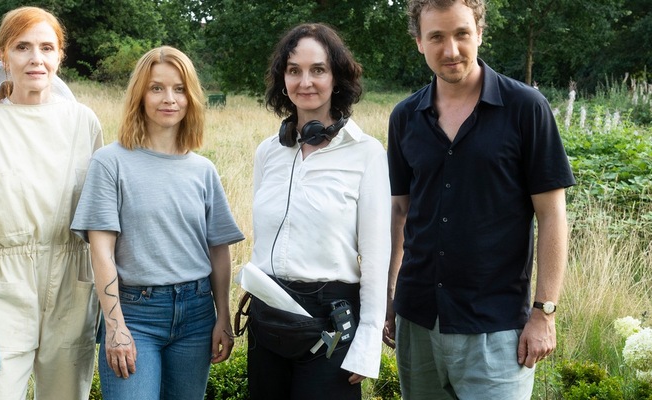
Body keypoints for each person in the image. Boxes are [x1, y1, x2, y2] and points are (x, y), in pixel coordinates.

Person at [384, 0, 576, 399]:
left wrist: (545, 312)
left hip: (498, 330)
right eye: (436, 37)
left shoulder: (526, 108)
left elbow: (553, 215)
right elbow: (401, 211)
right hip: (418, 321)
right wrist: (390, 296)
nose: (451, 50)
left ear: (480, 33)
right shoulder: (405, 117)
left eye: (461, 34)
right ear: (419, 41)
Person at [0, 6, 103, 399]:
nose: (35, 59)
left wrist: (110, 301)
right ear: (3, 56)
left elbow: (101, 221)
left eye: (47, 47)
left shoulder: (84, 123)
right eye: (22, 47)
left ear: (60, 56)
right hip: (2, 293)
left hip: (73, 293)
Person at [70, 45, 245, 400]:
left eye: (179, 89)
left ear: (191, 97)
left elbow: (218, 250)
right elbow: (101, 251)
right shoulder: (110, 163)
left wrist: (222, 317)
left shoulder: (203, 170)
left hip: (196, 315)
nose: (169, 99)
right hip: (135, 313)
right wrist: (115, 327)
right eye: (157, 88)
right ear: (140, 95)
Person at [245, 23, 390, 399]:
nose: (305, 81)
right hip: (270, 317)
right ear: (282, 78)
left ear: (337, 77)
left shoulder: (367, 153)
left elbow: (376, 256)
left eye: (318, 70)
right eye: (294, 70)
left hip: (331, 321)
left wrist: (367, 341)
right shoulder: (268, 152)